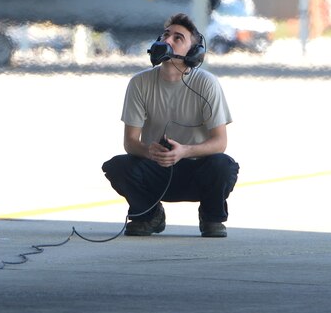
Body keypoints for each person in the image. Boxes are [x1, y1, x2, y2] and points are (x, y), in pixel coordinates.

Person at [102, 13, 239, 238]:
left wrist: (185, 151)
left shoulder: (206, 83)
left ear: (193, 53)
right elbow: (130, 142)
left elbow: (220, 142)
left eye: (178, 38)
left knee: (223, 166)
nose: (167, 40)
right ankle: (149, 215)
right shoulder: (140, 83)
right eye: (166, 35)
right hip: (157, 168)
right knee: (118, 166)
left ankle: (211, 217)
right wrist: (150, 151)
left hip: (196, 169)